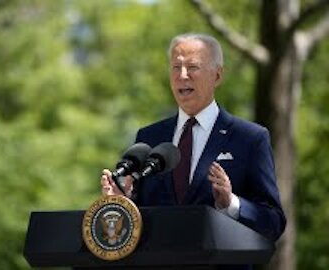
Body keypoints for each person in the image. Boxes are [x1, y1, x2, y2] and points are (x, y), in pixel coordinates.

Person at [100, 33, 286, 269]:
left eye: (193, 67)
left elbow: (273, 223)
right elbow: (138, 220)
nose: (182, 75)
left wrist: (230, 203)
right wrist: (121, 202)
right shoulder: (149, 138)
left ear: (217, 75)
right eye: (176, 67)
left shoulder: (249, 138)